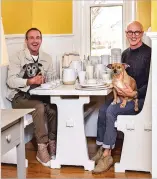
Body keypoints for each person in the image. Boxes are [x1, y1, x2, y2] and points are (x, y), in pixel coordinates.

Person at [91, 21, 151, 173]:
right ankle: (102, 146)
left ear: (142, 33)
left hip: (141, 98)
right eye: (130, 32)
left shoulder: (150, 53)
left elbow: (152, 82)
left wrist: (136, 93)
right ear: (126, 34)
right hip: (125, 95)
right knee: (103, 109)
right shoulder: (125, 54)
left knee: (111, 111)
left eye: (136, 32)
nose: (133, 35)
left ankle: (107, 155)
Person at [7, 28, 57, 167]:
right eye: (31, 38)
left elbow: (51, 78)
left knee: (53, 108)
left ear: (41, 40)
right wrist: (29, 81)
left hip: (38, 96)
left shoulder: (47, 58)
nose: (35, 41)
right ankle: (41, 149)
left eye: (38, 37)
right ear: (26, 41)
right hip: (19, 97)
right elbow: (10, 81)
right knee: (39, 107)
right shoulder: (17, 57)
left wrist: (46, 81)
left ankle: (52, 145)